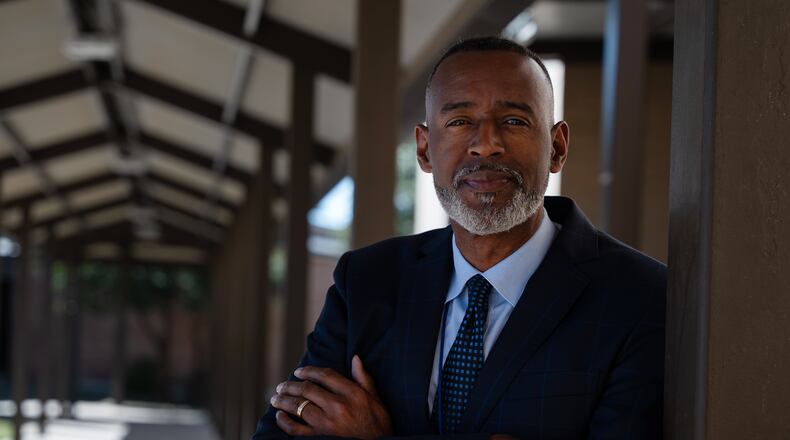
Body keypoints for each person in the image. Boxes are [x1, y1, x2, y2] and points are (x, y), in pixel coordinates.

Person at [252, 36, 665, 439]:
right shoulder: (366, 282)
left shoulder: (639, 296)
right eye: (459, 121)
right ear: (425, 149)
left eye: (514, 121)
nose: (486, 145)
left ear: (556, 147)